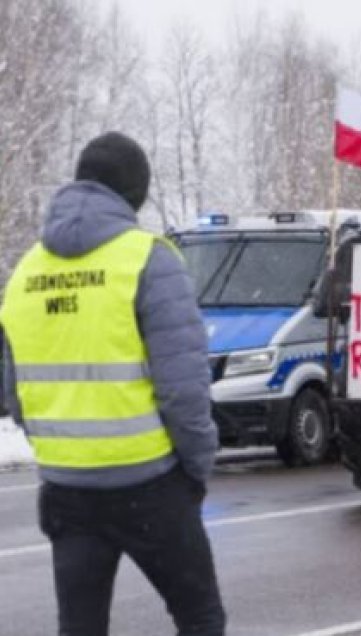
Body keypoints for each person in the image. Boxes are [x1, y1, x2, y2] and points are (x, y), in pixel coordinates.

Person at [0, 132, 226, 636]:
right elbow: (184, 388)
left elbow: (15, 394)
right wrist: (195, 467)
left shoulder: (25, 271)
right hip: (150, 483)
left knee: (80, 628)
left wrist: (63, 451)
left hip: (66, 489)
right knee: (200, 617)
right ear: (134, 196)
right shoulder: (149, 259)